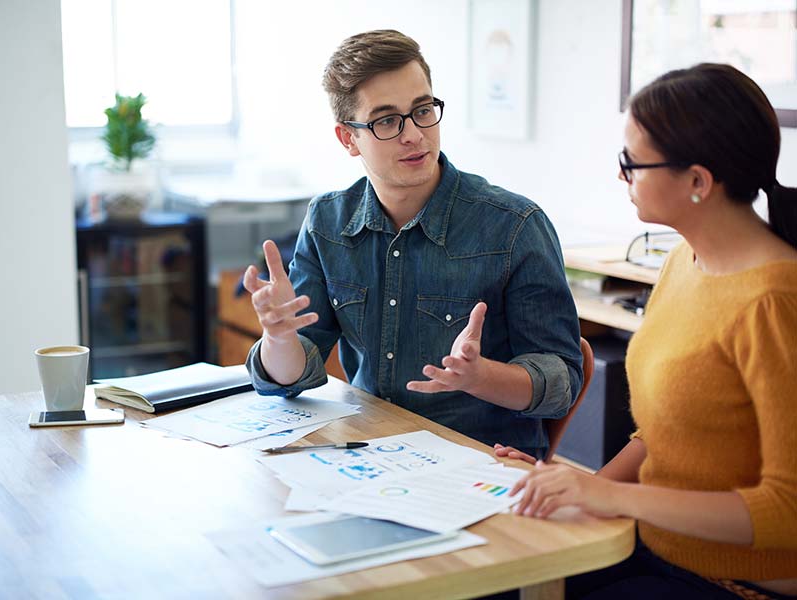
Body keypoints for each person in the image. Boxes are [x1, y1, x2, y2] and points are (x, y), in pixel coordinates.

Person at [495, 63, 797, 599]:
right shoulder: (686, 260)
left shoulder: (773, 304)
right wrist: (581, 488)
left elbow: (787, 512)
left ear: (698, 181)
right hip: (652, 546)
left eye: (631, 163)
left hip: (733, 583)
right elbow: (669, 432)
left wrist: (613, 499)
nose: (621, 176)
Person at [243, 29, 582, 456]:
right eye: (387, 120)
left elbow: (562, 382)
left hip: (479, 464)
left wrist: (480, 376)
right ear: (349, 138)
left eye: (423, 110)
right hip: (367, 453)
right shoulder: (328, 221)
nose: (414, 135)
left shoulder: (515, 226)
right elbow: (292, 379)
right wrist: (278, 338)